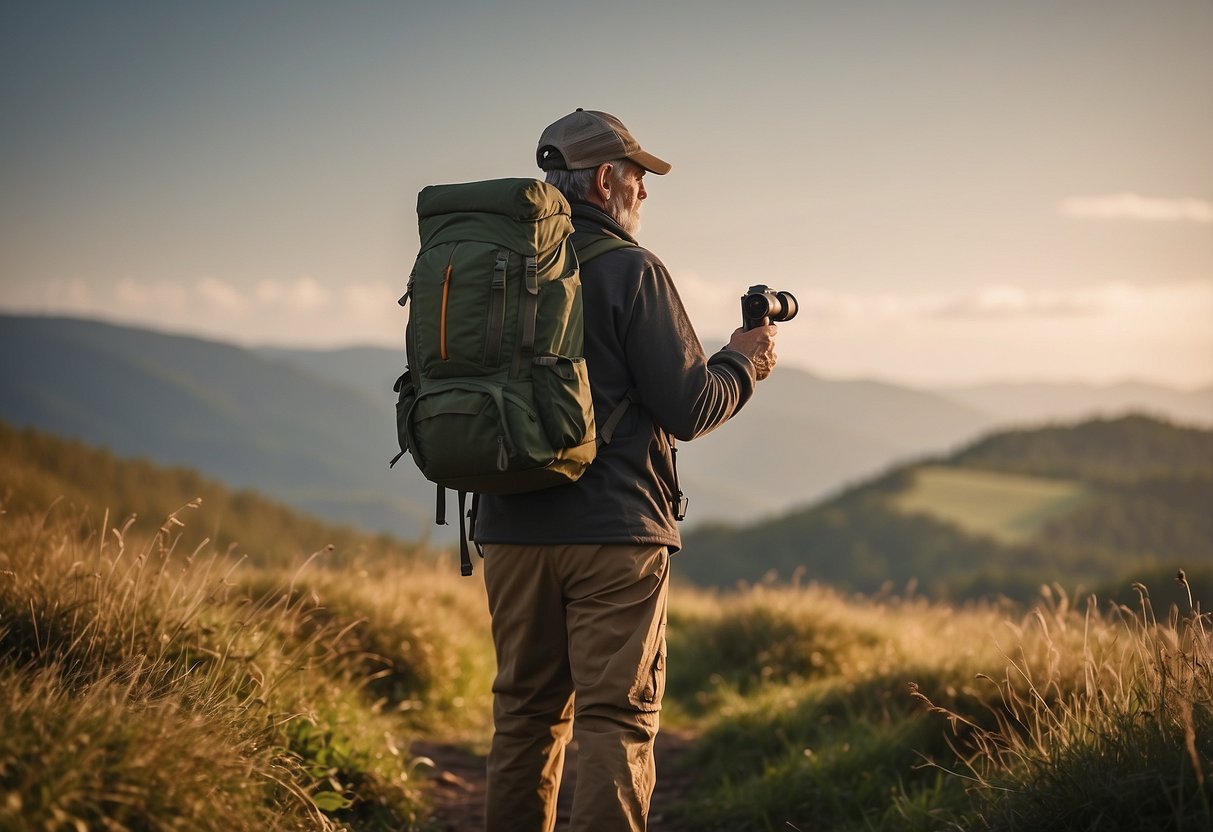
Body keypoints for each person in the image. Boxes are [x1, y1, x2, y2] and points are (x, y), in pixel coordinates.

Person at [474, 109, 778, 832]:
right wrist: (745, 360)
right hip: (614, 532)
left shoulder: (492, 270)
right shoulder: (631, 271)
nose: (645, 193)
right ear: (606, 179)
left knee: (524, 715)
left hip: (511, 529)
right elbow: (689, 406)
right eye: (639, 177)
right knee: (615, 718)